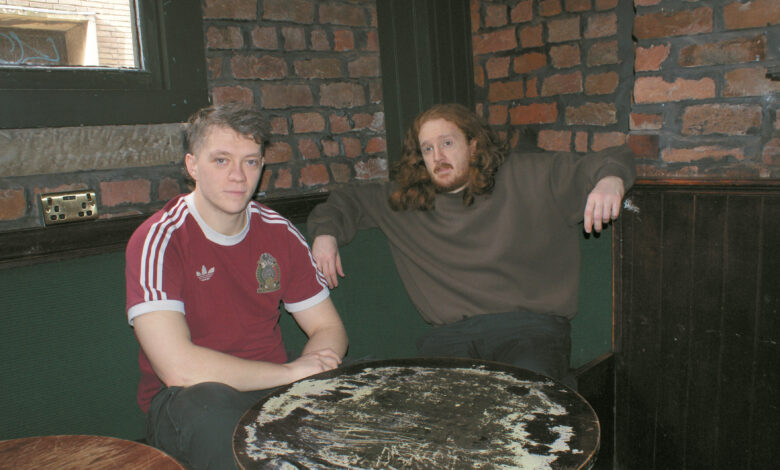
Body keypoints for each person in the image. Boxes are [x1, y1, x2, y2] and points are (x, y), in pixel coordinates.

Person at [307, 103, 635, 388]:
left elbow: (613, 156)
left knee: (528, 401)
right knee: (439, 413)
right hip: (451, 337)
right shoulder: (407, 202)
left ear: (473, 145)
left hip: (530, 329)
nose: (438, 157)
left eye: (447, 143)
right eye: (427, 149)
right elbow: (347, 200)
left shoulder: (528, 175)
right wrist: (326, 234)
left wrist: (610, 180)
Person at [125, 102, 348, 469]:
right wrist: (291, 373)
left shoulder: (279, 232)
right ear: (192, 165)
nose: (239, 177)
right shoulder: (159, 239)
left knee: (370, 392)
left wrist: (310, 371)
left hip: (274, 388)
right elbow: (178, 368)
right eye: (221, 160)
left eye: (251, 162)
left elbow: (328, 327)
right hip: (189, 399)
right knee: (214, 413)